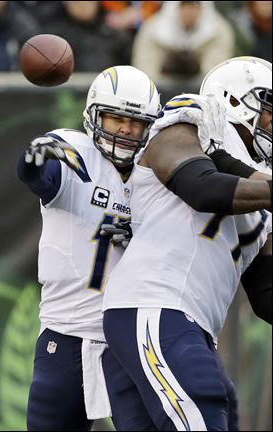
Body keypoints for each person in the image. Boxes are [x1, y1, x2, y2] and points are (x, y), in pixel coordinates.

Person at [101, 56, 272, 431]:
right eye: (268, 110)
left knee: (217, 405)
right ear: (233, 99)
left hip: (182, 325)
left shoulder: (260, 192)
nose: (272, 124)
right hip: (152, 308)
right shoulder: (195, 121)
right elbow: (200, 187)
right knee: (204, 405)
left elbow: (266, 293)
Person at [17, 65, 161, 431]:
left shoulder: (154, 175)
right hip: (66, 334)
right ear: (95, 115)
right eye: (116, 118)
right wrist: (32, 158)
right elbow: (38, 176)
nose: (127, 129)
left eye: (136, 121)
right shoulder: (75, 155)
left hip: (131, 339)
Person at [131, 1, 235, 81]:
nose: (190, 12)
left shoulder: (218, 31)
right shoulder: (152, 30)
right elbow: (146, 73)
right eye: (185, 6)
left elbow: (215, 75)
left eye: (194, 7)